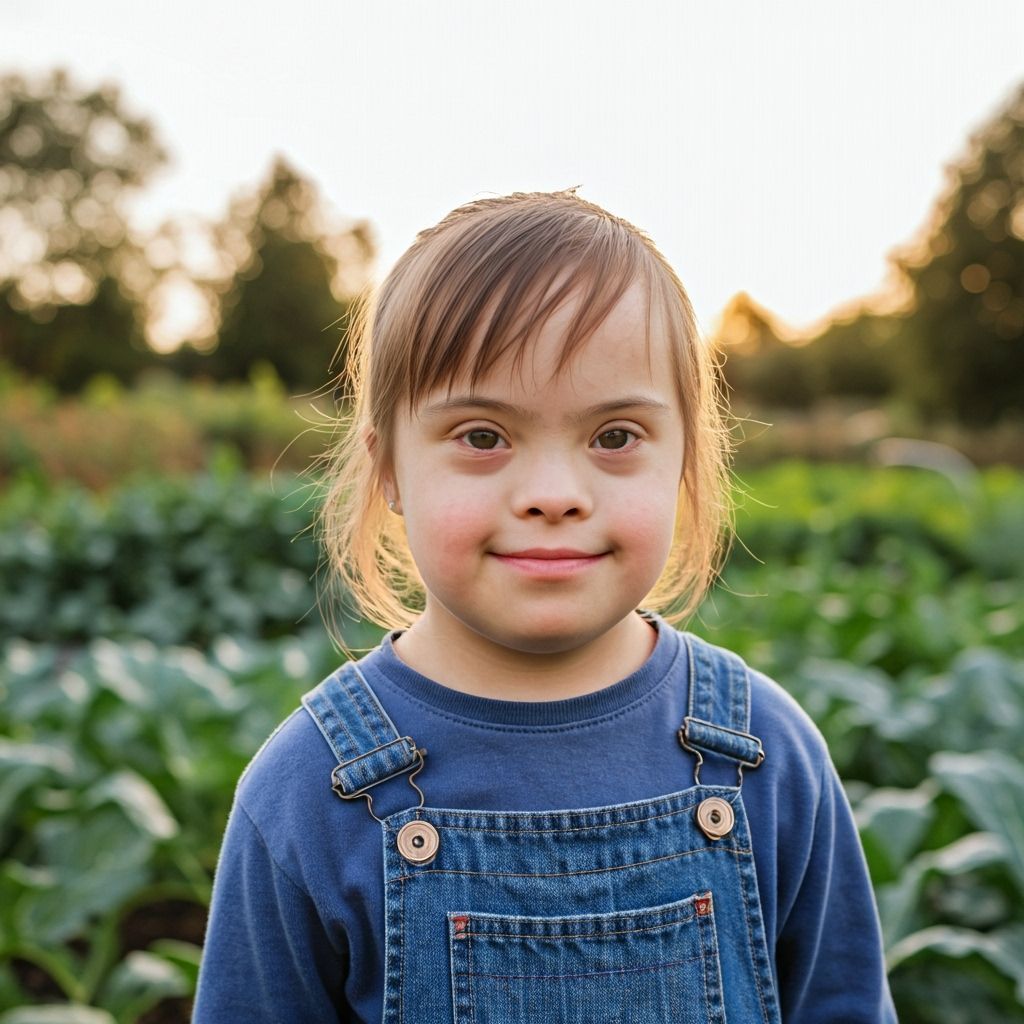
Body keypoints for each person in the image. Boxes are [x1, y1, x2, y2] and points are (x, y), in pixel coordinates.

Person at [192, 189, 896, 1023]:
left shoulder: (767, 757)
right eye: (483, 437)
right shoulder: (310, 790)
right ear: (388, 472)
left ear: (685, 462)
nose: (555, 495)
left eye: (614, 436)